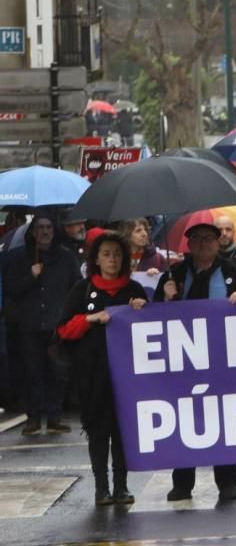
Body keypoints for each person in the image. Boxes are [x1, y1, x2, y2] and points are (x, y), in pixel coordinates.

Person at [155, 222, 236, 502]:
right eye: (196, 239)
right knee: (186, 420)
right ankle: (182, 483)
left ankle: (227, 481)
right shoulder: (175, 273)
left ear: (218, 242)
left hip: (221, 360)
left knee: (222, 420)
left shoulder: (232, 273)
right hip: (183, 362)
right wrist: (165, 296)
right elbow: (152, 316)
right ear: (188, 243)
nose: (203, 244)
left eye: (209, 238)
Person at [56, 233, 147, 505]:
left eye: (117, 254)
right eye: (106, 254)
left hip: (127, 376)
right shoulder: (82, 290)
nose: (112, 259)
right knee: (98, 431)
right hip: (93, 375)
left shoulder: (134, 290)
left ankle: (121, 486)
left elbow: (152, 328)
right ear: (96, 258)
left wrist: (142, 310)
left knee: (122, 432)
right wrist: (91, 319)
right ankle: (101, 488)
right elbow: (64, 329)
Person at [3, 211, 81, 435]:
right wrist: (30, 276)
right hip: (29, 325)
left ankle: (55, 415)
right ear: (33, 231)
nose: (45, 232)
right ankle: (34, 416)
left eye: (48, 227)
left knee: (57, 372)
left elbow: (76, 286)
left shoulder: (65, 257)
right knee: (32, 372)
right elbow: (10, 289)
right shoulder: (19, 258)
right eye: (40, 228)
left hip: (57, 324)